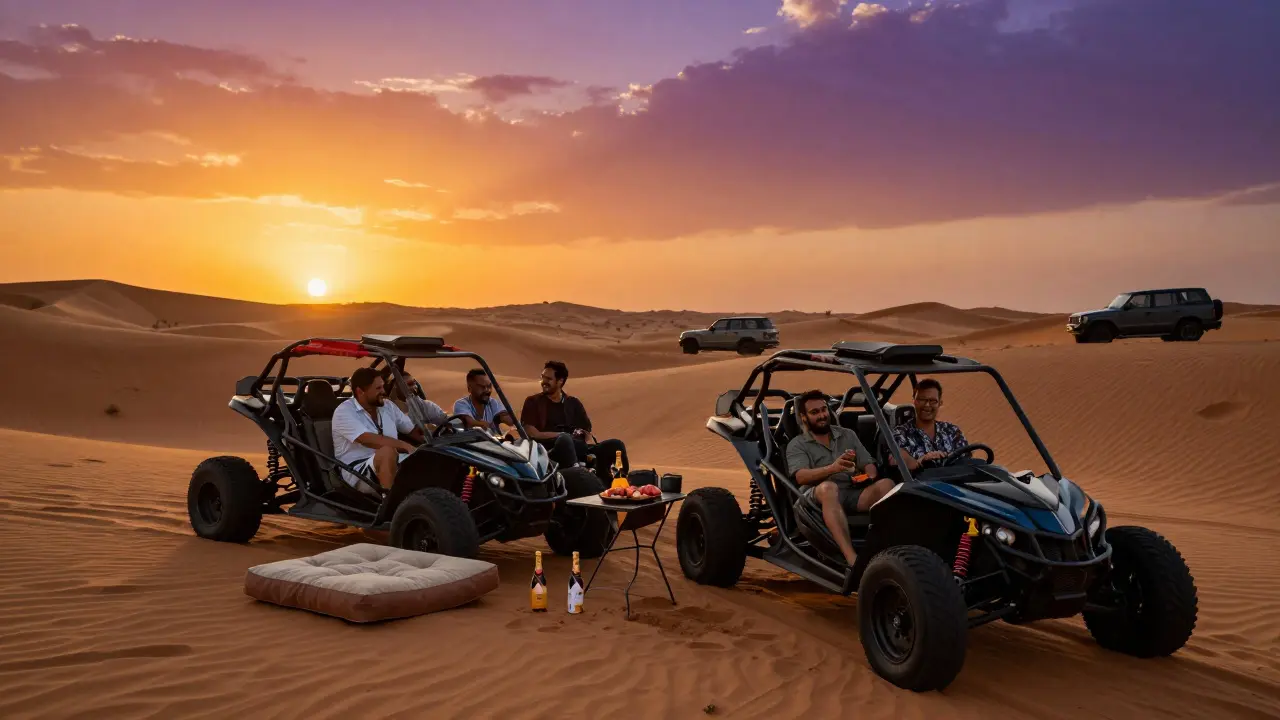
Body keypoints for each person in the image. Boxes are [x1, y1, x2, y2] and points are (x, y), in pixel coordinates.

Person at [786, 390, 895, 573]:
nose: (822, 415)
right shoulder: (797, 444)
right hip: (815, 499)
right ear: (804, 417)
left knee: (887, 485)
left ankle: (889, 550)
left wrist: (868, 476)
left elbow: (868, 463)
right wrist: (833, 469)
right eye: (814, 412)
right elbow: (801, 477)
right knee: (829, 488)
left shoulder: (847, 435)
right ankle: (852, 560)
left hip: (851, 491)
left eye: (824, 410)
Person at [520, 360, 627, 479]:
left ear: (560, 381)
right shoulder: (533, 402)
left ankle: (621, 480)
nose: (543, 382)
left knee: (615, 444)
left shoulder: (573, 403)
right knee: (565, 440)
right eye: (542, 377)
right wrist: (562, 435)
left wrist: (580, 434)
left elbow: (587, 433)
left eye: (548, 379)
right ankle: (579, 476)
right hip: (549, 452)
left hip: (578, 448)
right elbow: (532, 433)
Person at [332, 367, 424, 493]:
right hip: (358, 472)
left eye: (383, 386)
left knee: (426, 459)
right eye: (378, 388)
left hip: (393, 461)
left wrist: (435, 436)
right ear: (360, 391)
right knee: (387, 451)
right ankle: (389, 501)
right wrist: (405, 446)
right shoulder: (344, 412)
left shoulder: (387, 406)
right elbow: (367, 439)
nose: (383, 391)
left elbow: (413, 430)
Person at [890, 378, 970, 471]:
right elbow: (899, 460)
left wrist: (946, 458)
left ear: (940, 403)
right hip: (920, 480)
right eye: (922, 400)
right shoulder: (901, 433)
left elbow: (967, 461)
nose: (927, 405)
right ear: (914, 401)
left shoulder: (952, 431)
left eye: (933, 401)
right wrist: (922, 461)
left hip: (954, 478)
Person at [384, 366, 447, 433]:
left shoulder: (424, 405)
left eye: (414, 383)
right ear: (395, 387)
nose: (415, 387)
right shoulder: (387, 410)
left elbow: (444, 420)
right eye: (410, 384)